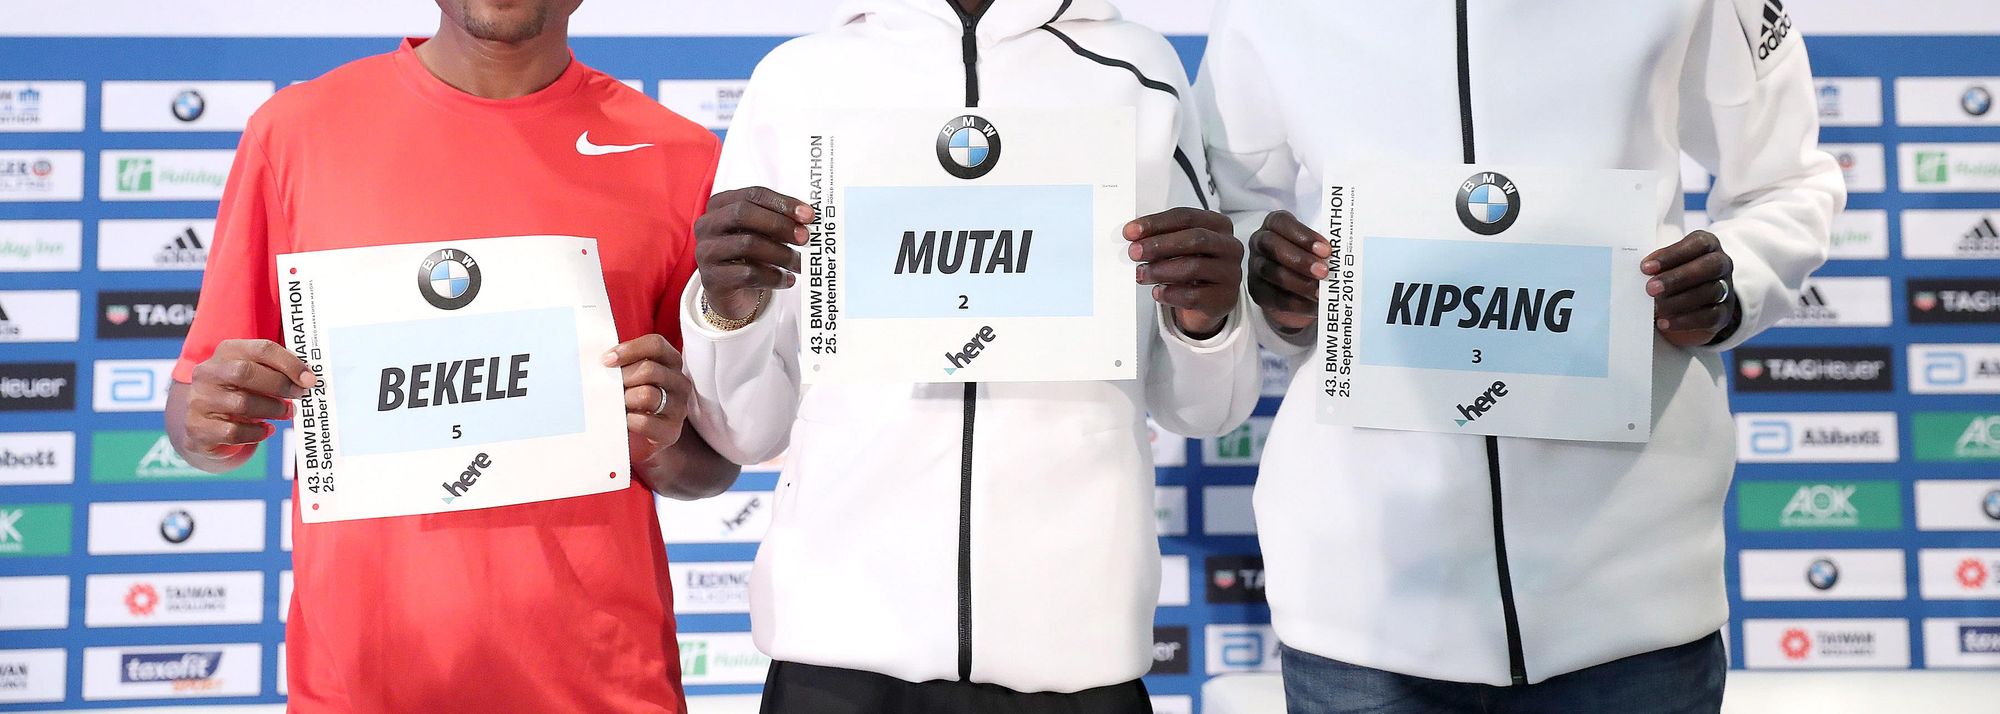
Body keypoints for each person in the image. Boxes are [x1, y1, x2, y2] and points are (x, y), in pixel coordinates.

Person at [1194, 0, 1844, 711]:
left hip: (1632, 588)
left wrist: (1734, 279)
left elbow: (1786, 182)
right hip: (1363, 597)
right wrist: (1269, 277)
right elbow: (1227, 212)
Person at [679, 0, 1259, 711]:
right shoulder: (800, 79)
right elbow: (747, 431)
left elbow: (1205, 410)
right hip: (836, 642)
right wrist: (729, 311)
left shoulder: (1138, 70)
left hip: (1075, 643)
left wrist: (1207, 322)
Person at [164, 1, 738, 710]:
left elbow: (711, 465)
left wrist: (661, 437)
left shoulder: (678, 155)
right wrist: (210, 416)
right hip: (362, 686)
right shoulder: (294, 133)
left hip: (603, 683)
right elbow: (197, 419)